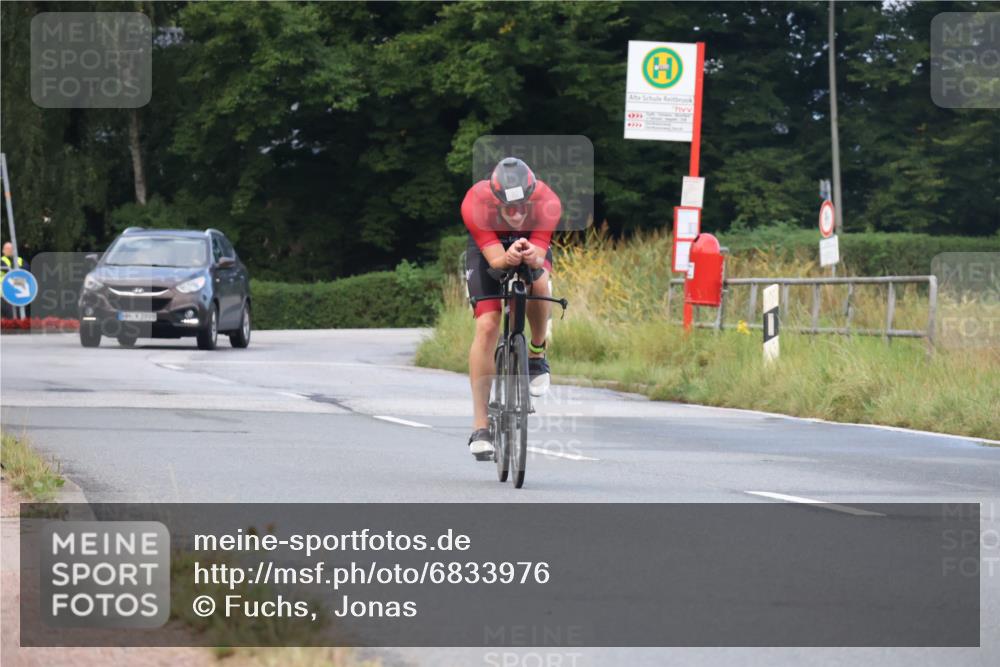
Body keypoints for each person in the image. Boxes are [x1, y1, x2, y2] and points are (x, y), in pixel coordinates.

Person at [461, 157, 562, 460]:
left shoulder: (548, 202)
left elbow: (540, 253)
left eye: (523, 207)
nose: (517, 214)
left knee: (540, 285)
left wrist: (531, 255)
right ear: (495, 200)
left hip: (530, 244)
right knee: (488, 324)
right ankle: (480, 427)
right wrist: (508, 257)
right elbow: (496, 262)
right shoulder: (475, 202)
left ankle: (536, 354)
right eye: (509, 208)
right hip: (488, 251)